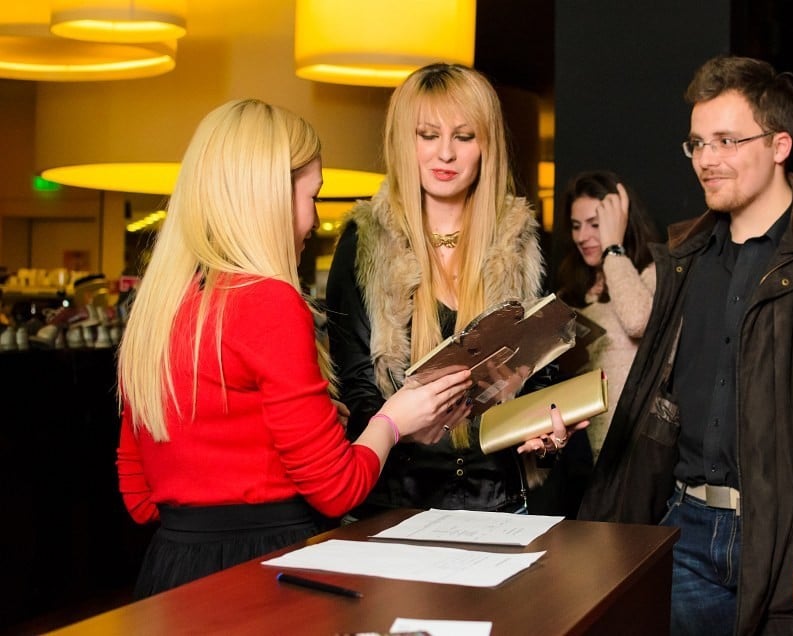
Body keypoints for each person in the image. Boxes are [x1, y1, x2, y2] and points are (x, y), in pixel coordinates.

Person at [578, 56, 793, 635]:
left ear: (779, 144)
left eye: (727, 141)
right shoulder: (684, 261)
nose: (706, 159)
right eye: (697, 143)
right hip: (686, 533)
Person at [116, 98, 478, 598]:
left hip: (171, 572)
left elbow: (139, 496)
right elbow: (337, 490)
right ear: (272, 198)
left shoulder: (160, 305)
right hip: (264, 574)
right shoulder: (268, 301)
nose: (314, 220)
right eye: (313, 197)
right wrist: (393, 420)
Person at [326, 63, 585, 518]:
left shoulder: (518, 238)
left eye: (464, 137)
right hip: (395, 507)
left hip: (499, 503)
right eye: (428, 135)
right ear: (403, 141)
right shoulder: (364, 241)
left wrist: (544, 429)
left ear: (487, 146)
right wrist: (405, 421)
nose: (445, 153)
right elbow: (356, 390)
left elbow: (540, 374)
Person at [555, 171, 659, 463]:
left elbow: (637, 321)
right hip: (581, 454)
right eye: (576, 226)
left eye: (595, 224)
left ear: (621, 222)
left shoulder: (651, 275)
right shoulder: (570, 292)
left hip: (635, 453)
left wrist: (613, 248)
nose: (582, 237)